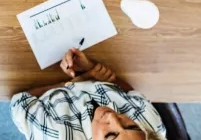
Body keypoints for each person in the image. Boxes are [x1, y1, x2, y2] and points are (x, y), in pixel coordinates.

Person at [10, 47, 167, 140]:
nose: (112, 117)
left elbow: (21, 98)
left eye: (110, 135)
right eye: (130, 125)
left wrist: (79, 80)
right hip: (91, 61)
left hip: (38, 72)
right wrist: (94, 69)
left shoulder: (54, 134)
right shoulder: (151, 127)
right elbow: (128, 91)